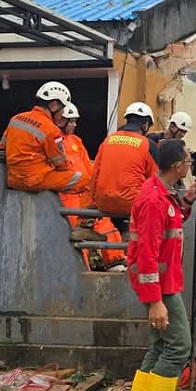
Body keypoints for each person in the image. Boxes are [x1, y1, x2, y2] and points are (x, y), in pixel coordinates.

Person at [123, 139, 196, 391]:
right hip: (160, 286)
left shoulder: (162, 195)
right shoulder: (154, 201)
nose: (190, 164)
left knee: (158, 347)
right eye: (187, 160)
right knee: (178, 348)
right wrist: (155, 301)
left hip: (162, 282)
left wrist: (187, 199)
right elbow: (146, 254)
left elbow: (171, 224)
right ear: (176, 166)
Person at [60, 105, 126, 270]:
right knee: (76, 235)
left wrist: (95, 187)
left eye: (75, 121)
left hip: (85, 193)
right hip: (68, 196)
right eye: (72, 121)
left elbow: (89, 169)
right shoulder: (54, 140)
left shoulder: (76, 141)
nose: (74, 125)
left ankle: (115, 260)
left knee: (104, 224)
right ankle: (81, 269)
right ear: (62, 121)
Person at [0, 81, 84, 194]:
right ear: (54, 105)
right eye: (62, 110)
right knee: (82, 179)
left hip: (13, 179)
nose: (62, 115)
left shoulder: (16, 118)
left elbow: (2, 145)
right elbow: (61, 164)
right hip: (34, 180)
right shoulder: (51, 129)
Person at [92, 102, 159, 219]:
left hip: (103, 203)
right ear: (145, 125)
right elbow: (156, 180)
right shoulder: (148, 145)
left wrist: (93, 202)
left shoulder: (108, 140)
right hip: (132, 205)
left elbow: (94, 174)